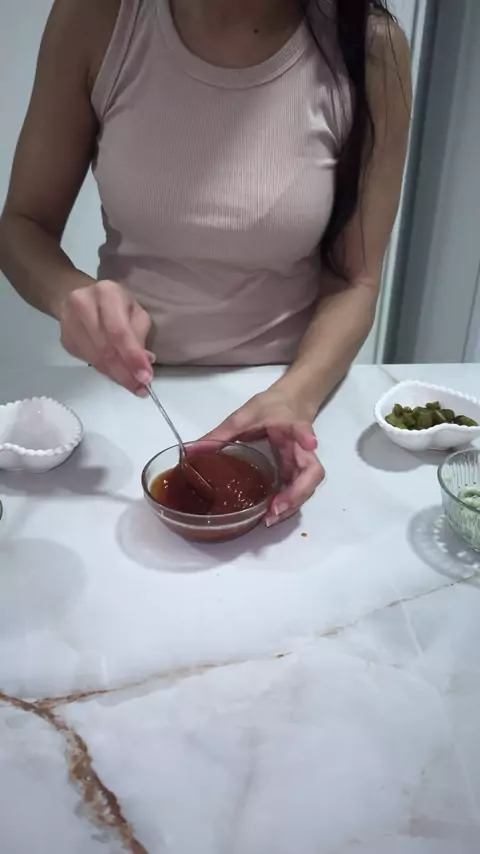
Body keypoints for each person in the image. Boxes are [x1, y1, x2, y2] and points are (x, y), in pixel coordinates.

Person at [0, 0, 411, 526]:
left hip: (286, 403)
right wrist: (67, 294)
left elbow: (358, 279)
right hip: (129, 396)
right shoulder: (96, 17)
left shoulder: (371, 48)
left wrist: (295, 396)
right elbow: (23, 226)